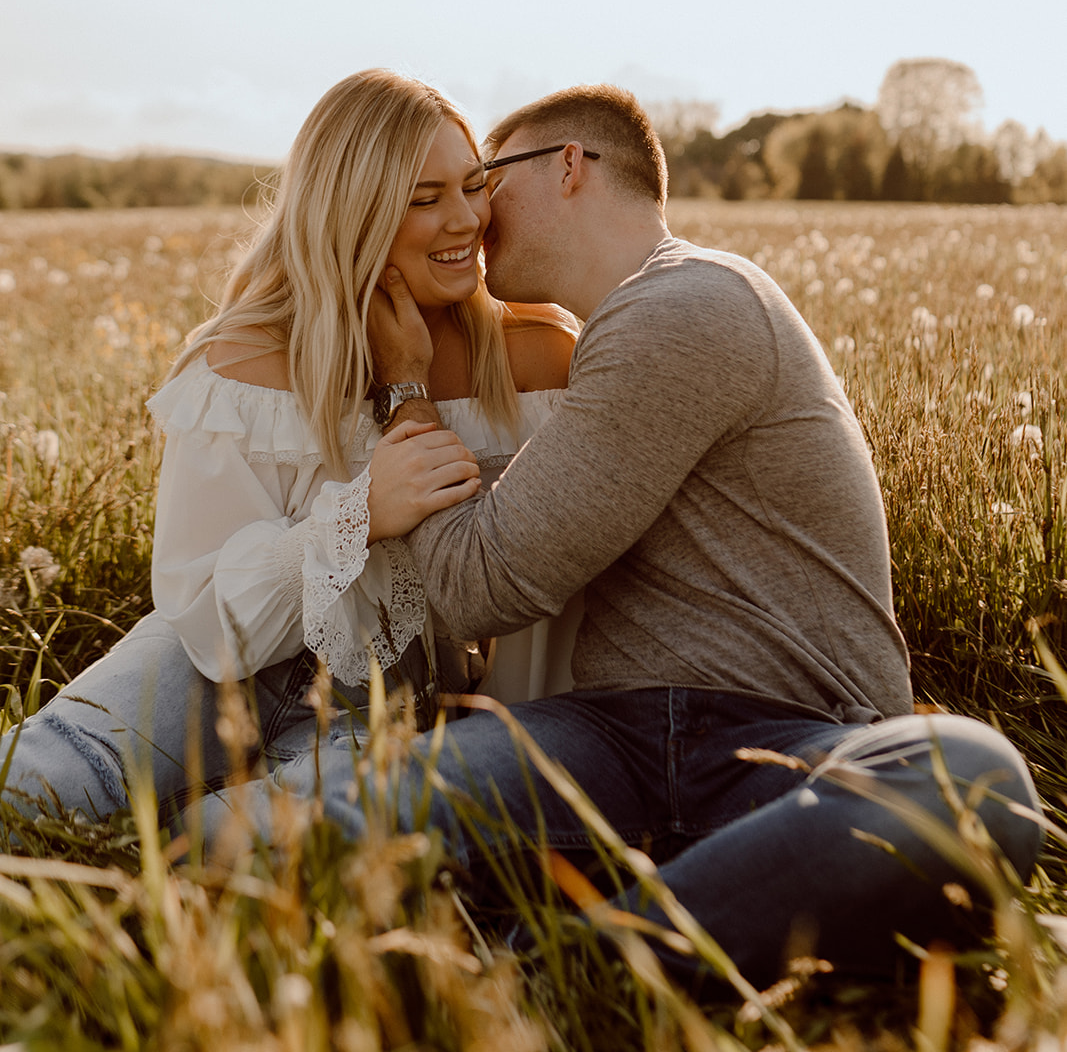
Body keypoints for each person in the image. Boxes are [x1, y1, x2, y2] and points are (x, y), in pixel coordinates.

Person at [295, 82, 1041, 993]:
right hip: (610, 742)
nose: (477, 214)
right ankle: (680, 937)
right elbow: (512, 531)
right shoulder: (613, 339)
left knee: (969, 779)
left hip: (791, 745)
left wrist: (406, 386)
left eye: (489, 178)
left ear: (569, 165)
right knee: (331, 824)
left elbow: (480, 582)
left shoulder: (686, 305)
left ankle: (567, 979)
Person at [0, 70, 580, 828]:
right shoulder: (242, 365)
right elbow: (203, 618)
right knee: (35, 781)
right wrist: (357, 516)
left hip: (383, 704)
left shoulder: (536, 356)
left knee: (239, 851)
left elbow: (547, 590)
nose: (467, 219)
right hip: (206, 673)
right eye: (423, 199)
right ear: (351, 213)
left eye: (473, 186)